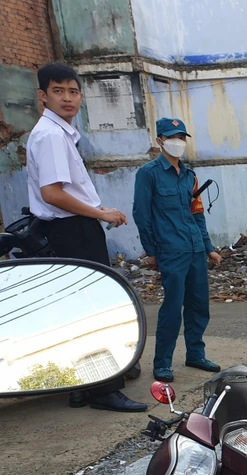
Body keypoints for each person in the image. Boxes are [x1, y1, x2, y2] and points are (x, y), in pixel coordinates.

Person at [25, 63, 146, 413]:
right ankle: (104, 390)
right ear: (43, 96)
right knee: (95, 309)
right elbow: (52, 194)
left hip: (72, 227)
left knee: (77, 308)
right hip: (72, 230)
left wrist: (98, 207)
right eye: (58, 91)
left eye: (73, 91)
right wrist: (100, 213)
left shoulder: (59, 133)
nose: (67, 98)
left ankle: (81, 387)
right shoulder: (49, 136)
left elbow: (65, 191)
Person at [133, 118, 223, 382]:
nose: (178, 142)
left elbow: (198, 215)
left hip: (195, 249)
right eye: (173, 137)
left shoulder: (190, 176)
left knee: (199, 306)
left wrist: (209, 248)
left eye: (182, 137)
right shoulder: (148, 174)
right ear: (160, 140)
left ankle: (195, 354)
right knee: (173, 308)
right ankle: (162, 363)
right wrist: (151, 251)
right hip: (171, 251)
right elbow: (142, 214)